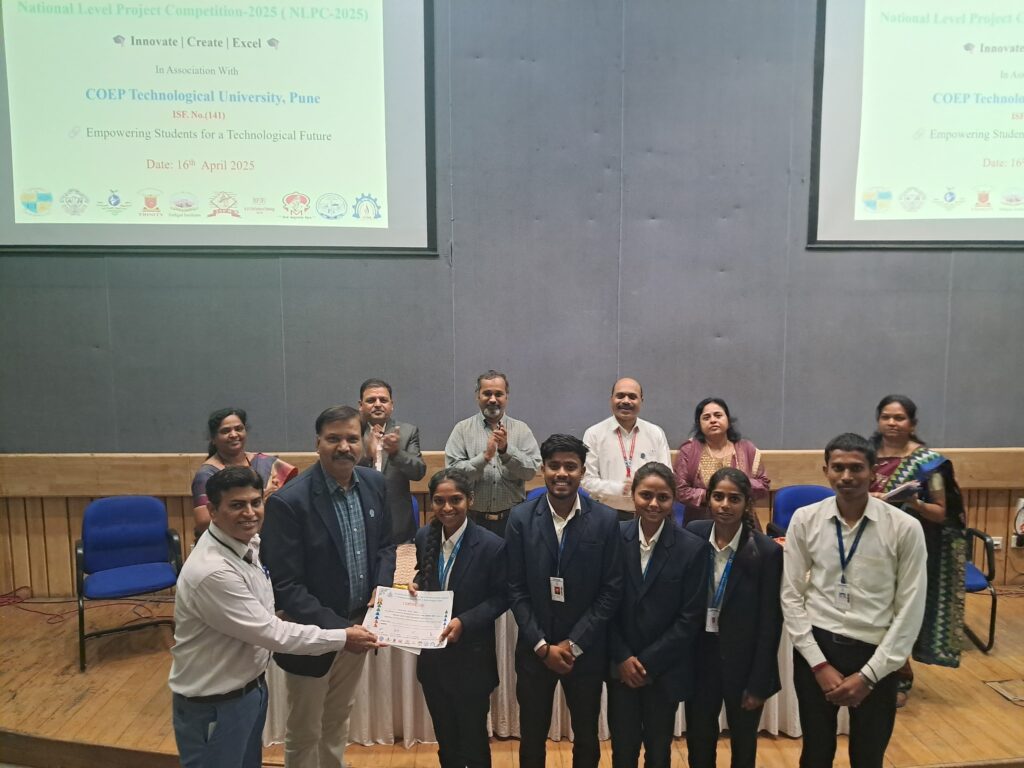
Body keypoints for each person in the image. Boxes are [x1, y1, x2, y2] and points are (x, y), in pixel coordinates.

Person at [169, 466, 381, 768]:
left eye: (255, 502)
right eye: (237, 505)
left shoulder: (246, 544)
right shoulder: (213, 571)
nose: (249, 513)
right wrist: (343, 636)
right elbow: (271, 633)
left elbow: (264, 609)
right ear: (213, 511)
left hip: (249, 691)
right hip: (215, 705)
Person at [260, 405, 397, 768]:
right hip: (313, 635)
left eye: (352, 438)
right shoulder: (289, 502)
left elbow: (386, 546)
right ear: (317, 443)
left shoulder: (374, 484)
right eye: (333, 439)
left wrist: (381, 588)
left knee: (338, 719)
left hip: (359, 625)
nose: (344, 447)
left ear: (363, 443)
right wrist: (341, 632)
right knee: (304, 730)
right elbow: (286, 586)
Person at [781, 433, 927, 768]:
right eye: (838, 468)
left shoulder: (904, 528)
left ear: (873, 471)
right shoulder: (805, 519)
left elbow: (911, 608)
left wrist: (870, 676)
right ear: (826, 471)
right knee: (815, 754)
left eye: (856, 468)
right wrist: (819, 665)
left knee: (868, 757)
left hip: (876, 652)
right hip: (818, 649)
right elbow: (790, 595)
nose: (847, 476)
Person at [506, 434, 623, 768]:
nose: (561, 473)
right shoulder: (520, 518)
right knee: (531, 739)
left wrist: (573, 644)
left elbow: (611, 590)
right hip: (535, 651)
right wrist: (542, 646)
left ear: (582, 471)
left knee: (586, 738)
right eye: (554, 465)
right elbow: (515, 588)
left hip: (584, 653)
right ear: (542, 469)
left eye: (570, 466)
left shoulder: (606, 520)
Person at [607, 462, 709, 768]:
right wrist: (623, 657)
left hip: (664, 670)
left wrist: (648, 662)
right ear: (633, 496)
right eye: (646, 495)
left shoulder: (692, 548)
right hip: (621, 667)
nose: (653, 503)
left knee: (658, 751)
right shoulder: (613, 538)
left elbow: (690, 617)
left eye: (662, 497)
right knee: (623, 750)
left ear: (673, 499)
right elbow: (603, 604)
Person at [869, 394, 966, 707]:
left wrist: (913, 502)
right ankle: (869, 674)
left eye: (899, 418)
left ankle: (900, 677)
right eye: (886, 417)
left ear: (912, 424)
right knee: (872, 613)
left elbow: (940, 512)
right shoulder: (866, 455)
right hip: (870, 546)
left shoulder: (928, 464)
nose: (892, 423)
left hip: (910, 548)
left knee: (899, 614)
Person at [684, 467, 783, 768]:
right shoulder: (693, 535)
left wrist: (759, 682)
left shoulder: (765, 551)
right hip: (700, 659)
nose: (725, 505)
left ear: (747, 503)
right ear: (708, 499)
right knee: (699, 741)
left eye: (734, 499)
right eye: (718, 497)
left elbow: (770, 622)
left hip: (744, 665)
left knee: (743, 744)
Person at [410, 468, 508, 768]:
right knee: (447, 742)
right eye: (439, 501)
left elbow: (502, 598)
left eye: (456, 499)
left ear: (470, 500)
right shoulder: (424, 536)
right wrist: (416, 585)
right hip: (433, 660)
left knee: (474, 743)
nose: (447, 508)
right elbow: (426, 573)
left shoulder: (491, 545)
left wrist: (465, 621)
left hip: (472, 660)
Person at [445, 369, 541, 536]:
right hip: (472, 520)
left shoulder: (522, 430)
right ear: (478, 396)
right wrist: (484, 458)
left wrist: (506, 450)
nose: (492, 399)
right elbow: (452, 475)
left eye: (498, 394)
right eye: (487, 393)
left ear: (506, 397)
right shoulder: (462, 429)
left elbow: (531, 471)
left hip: (513, 520)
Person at [190, 407, 297, 539]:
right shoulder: (207, 474)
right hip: (228, 544)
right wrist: (260, 502)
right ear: (213, 438)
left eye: (239, 429)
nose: (234, 434)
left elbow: (294, 504)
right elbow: (203, 523)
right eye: (225, 431)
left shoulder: (268, 464)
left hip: (273, 538)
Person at [582, 378, 672, 521]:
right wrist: (621, 489)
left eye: (632, 396)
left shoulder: (655, 433)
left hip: (649, 515)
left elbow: (667, 477)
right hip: (607, 516)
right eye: (620, 396)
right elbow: (587, 481)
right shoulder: (594, 434)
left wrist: (642, 490)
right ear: (611, 399)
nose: (626, 401)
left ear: (641, 401)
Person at [674, 398, 768, 528]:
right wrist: (713, 496)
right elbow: (681, 490)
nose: (713, 420)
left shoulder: (747, 449)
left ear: (728, 421)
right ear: (699, 424)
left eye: (718, 415)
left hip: (742, 523)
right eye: (706, 417)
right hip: (701, 524)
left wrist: (736, 486)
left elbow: (763, 485)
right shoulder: (689, 451)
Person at [358, 378, 427, 543]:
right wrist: (367, 456)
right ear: (361, 405)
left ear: (391, 404)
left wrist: (396, 453)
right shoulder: (353, 433)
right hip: (360, 522)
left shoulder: (407, 431)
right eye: (371, 400)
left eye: (383, 400)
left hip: (398, 527)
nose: (377, 404)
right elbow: (344, 472)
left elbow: (418, 472)